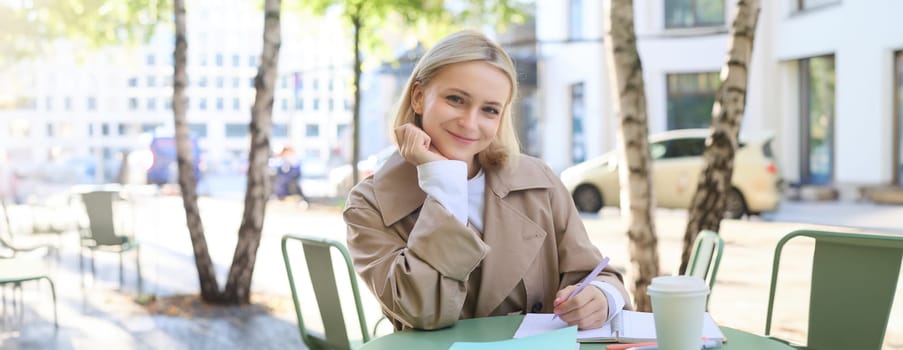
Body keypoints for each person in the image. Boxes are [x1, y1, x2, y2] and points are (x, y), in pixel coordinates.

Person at [343, 30, 631, 331]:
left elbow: (597, 274)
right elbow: (421, 311)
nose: (469, 123)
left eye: (489, 110)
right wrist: (444, 182)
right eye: (456, 99)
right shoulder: (370, 204)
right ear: (418, 97)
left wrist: (602, 297)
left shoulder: (538, 182)